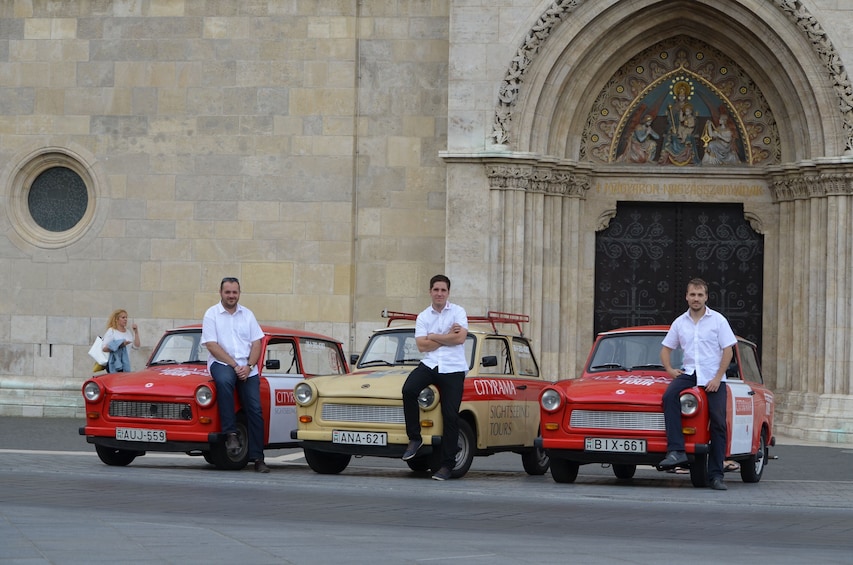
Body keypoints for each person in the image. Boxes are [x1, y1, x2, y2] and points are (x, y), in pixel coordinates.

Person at [659, 278, 736, 491]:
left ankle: (716, 476)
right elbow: (666, 348)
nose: (696, 299)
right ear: (686, 296)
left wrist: (717, 377)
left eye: (700, 295)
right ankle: (677, 450)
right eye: (692, 294)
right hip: (690, 373)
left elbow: (728, 350)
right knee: (668, 396)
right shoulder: (679, 322)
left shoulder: (718, 320)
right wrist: (669, 370)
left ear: (706, 297)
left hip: (713, 376)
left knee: (718, 423)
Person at [401, 274, 469, 481]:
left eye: (443, 290)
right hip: (430, 364)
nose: (439, 293)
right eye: (436, 290)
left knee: (450, 415)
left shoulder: (458, 311)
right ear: (430, 291)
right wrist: (446, 337)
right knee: (408, 389)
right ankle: (415, 438)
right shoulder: (423, 316)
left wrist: (433, 336)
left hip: (454, 368)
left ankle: (447, 465)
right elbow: (422, 346)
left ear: (448, 293)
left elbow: (460, 338)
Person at [201, 277, 269, 473]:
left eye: (234, 292)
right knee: (224, 382)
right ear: (220, 293)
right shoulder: (211, 314)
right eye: (227, 292)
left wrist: (248, 366)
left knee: (255, 409)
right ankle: (230, 433)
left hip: (248, 367)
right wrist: (234, 365)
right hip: (222, 363)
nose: (231, 296)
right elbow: (211, 344)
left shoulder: (248, 315)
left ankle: (258, 458)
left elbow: (257, 343)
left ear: (239, 293)